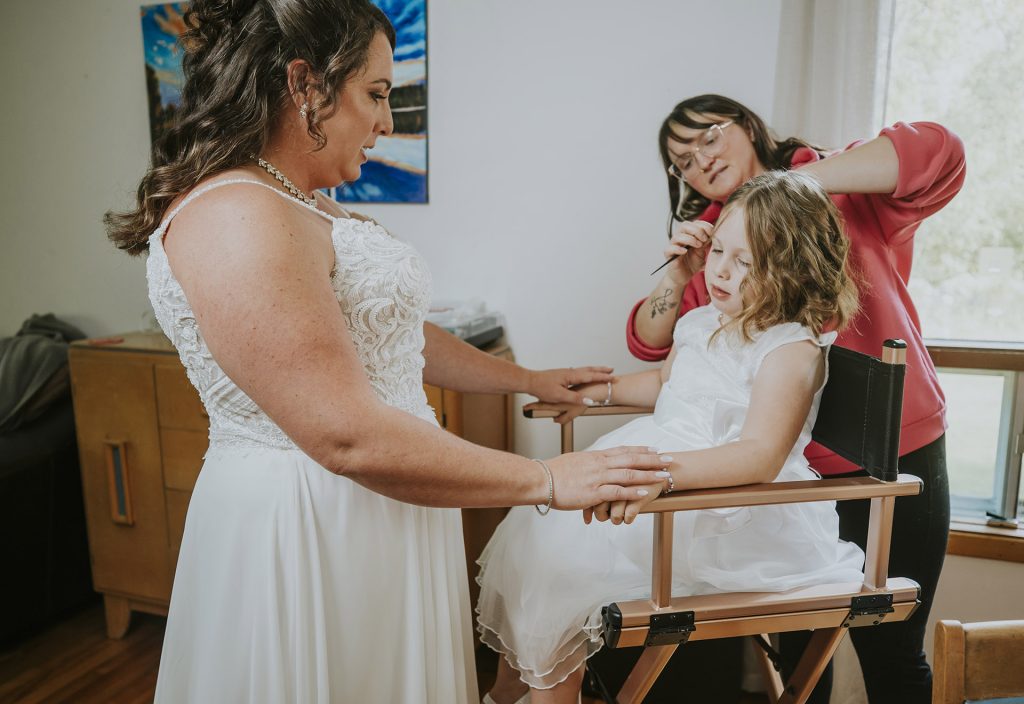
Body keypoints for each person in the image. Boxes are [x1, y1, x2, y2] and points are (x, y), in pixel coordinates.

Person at [104, 1, 671, 701]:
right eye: (376, 93)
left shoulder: (298, 200)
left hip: (382, 503)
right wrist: (549, 480)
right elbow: (343, 434)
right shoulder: (237, 215)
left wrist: (526, 379)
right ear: (304, 84)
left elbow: (391, 334)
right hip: (311, 520)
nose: (387, 122)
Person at [625, 94, 965, 703]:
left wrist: (790, 189)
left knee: (892, 648)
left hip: (898, 449)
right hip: (793, 473)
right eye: (682, 161)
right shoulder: (717, 239)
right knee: (800, 650)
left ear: (747, 126)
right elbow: (651, 343)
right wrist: (681, 273)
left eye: (708, 138)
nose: (699, 161)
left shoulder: (840, 185)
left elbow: (940, 153)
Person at [478, 170, 866, 704]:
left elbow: (759, 455)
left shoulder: (788, 349)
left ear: (795, 269)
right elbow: (669, 384)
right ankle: (508, 690)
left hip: (730, 506)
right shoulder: (705, 319)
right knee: (541, 528)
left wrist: (658, 473)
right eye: (719, 251)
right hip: (668, 470)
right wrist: (596, 392)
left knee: (566, 569)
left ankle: (549, 696)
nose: (722, 271)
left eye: (746, 262)